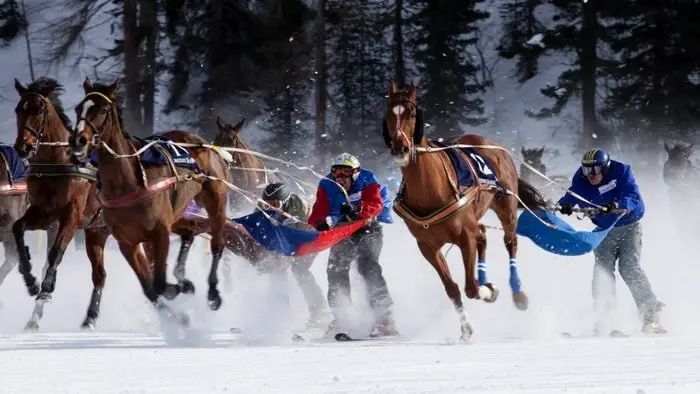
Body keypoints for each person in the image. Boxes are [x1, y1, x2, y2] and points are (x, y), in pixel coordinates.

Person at [557, 148, 666, 336]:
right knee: (602, 271)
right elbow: (573, 193)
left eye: (595, 170)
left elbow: (632, 195)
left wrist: (616, 205)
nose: (590, 175)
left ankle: (651, 317)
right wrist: (565, 203)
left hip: (629, 226)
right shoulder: (582, 178)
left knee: (629, 267)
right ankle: (603, 317)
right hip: (604, 231)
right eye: (586, 170)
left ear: (605, 168)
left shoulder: (621, 171)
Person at [307, 152, 398, 337]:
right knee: (335, 268)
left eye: (345, 173)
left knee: (367, 265)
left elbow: (375, 203)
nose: (340, 178)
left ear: (355, 173)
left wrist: (358, 210)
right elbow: (318, 210)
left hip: (368, 229)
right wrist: (319, 223)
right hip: (343, 231)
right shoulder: (327, 184)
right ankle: (342, 315)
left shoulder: (367, 179)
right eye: (337, 173)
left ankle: (384, 317)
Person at [255, 182, 330, 328]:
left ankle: (319, 311)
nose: (270, 207)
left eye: (275, 203)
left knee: (299, 269)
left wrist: (283, 255)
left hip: (307, 237)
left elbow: (296, 235)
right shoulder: (261, 207)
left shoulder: (298, 206)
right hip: (283, 239)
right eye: (267, 204)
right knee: (276, 271)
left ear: (284, 200)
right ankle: (280, 313)